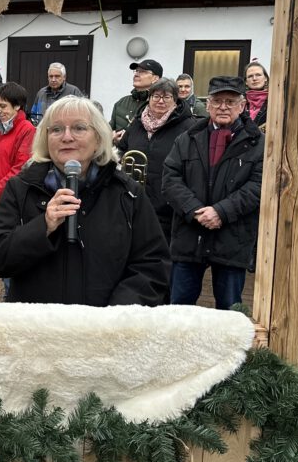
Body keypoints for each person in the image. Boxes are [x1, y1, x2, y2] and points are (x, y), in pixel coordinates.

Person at [0, 96, 169, 305]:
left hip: (103, 330)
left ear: (98, 137)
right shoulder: (21, 188)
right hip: (37, 329)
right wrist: (42, 226)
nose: (67, 137)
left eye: (79, 128)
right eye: (56, 129)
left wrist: (115, 315)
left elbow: (152, 265)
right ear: (46, 139)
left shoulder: (127, 193)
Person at [162, 76, 264, 310]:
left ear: (242, 105)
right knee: (179, 310)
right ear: (207, 105)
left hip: (232, 237)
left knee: (229, 312)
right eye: (217, 101)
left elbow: (258, 186)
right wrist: (195, 211)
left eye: (230, 101)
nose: (223, 107)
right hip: (190, 236)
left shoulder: (258, 144)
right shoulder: (187, 138)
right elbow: (170, 179)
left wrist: (221, 212)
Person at [116, 78, 197, 243]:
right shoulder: (137, 124)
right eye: (156, 96)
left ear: (175, 100)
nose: (160, 101)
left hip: (168, 206)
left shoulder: (188, 126)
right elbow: (121, 150)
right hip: (135, 202)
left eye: (166, 97)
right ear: (149, 98)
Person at [0, 82, 36, 300]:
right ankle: (9, 293)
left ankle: (14, 297)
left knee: (13, 252)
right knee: (1, 250)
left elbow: (20, 169)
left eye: (3, 106)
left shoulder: (26, 130)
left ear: (18, 107)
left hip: (14, 203)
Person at [111, 59, 162, 133]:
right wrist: (113, 137)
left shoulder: (160, 104)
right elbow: (109, 130)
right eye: (136, 71)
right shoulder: (121, 102)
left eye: (142, 71)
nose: (136, 74)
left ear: (155, 78)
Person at [244, 61, 269, 127]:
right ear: (246, 81)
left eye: (258, 75)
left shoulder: (275, 100)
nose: (254, 79)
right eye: (250, 76)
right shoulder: (239, 102)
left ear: (265, 78)